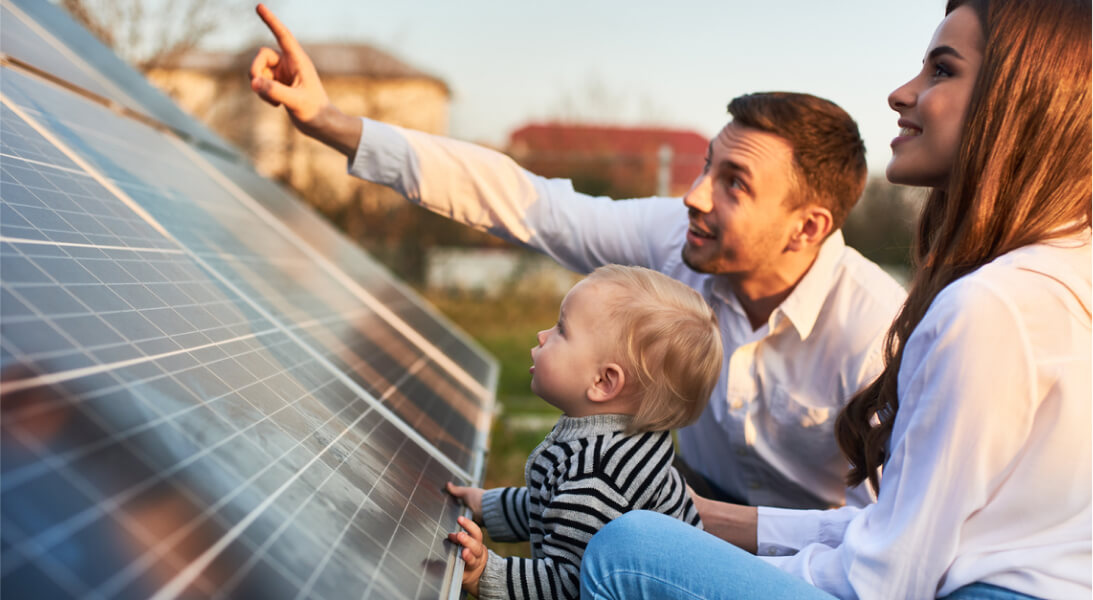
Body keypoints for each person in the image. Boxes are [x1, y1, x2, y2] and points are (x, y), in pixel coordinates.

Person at [248, 3, 908, 511]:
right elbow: (525, 203)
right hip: (690, 493)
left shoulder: (876, 333)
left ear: (806, 227)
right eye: (707, 166)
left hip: (812, 557)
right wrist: (330, 122)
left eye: (733, 183)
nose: (694, 195)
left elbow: (879, 540)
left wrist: (688, 525)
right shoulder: (677, 239)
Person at [579, 0, 1092, 598]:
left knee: (628, 553)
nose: (901, 93)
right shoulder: (1062, 272)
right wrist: (712, 521)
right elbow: (901, 528)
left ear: (1018, 104)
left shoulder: (987, 309)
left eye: (942, 71)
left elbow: (885, 579)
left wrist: (696, 561)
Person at [442, 264, 722, 600]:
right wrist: (487, 507)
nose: (542, 335)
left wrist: (486, 573)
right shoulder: (614, 440)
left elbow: (569, 585)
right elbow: (553, 507)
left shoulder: (599, 478)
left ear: (603, 382)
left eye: (561, 329)